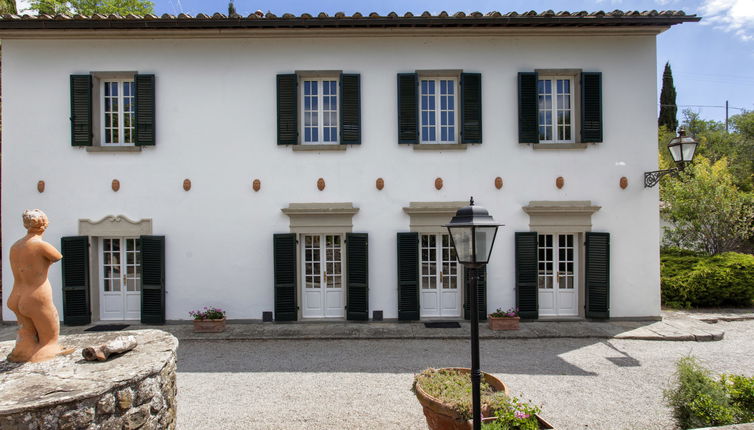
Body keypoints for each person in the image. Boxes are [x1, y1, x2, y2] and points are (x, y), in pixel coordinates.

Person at [6, 209, 71, 362]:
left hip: (15, 296)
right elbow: (57, 256)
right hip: (36, 296)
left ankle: (21, 353)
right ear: (43, 224)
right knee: (49, 341)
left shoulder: (15, 247)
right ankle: (40, 356)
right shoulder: (41, 246)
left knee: (26, 334)